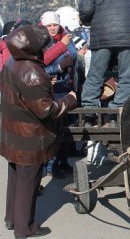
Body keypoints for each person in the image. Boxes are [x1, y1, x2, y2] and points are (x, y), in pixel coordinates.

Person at [0, 25, 77, 238]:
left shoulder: (11, 62)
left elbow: (20, 94)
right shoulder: (32, 72)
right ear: (33, 48)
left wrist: (44, 86)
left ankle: (12, 219)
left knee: (16, 177)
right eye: (43, 46)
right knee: (29, 182)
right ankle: (25, 228)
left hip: (13, 132)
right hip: (30, 136)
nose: (45, 48)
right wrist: (70, 99)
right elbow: (47, 111)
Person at [40, 11, 78, 179]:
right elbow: (38, 67)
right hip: (50, 91)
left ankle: (62, 161)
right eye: (49, 25)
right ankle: (50, 165)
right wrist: (59, 68)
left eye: (55, 24)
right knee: (53, 130)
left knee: (66, 129)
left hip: (66, 88)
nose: (52, 28)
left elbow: (74, 57)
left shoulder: (66, 38)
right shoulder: (40, 43)